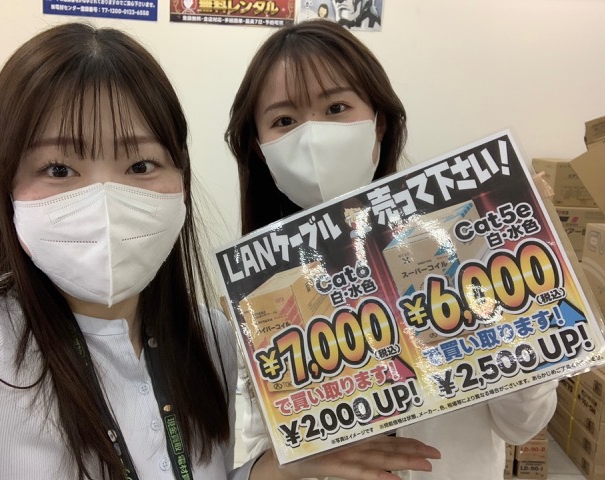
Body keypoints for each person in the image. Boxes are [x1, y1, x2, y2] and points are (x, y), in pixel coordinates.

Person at [0, 22, 440, 480]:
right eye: (58, 169)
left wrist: (280, 468)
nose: (104, 199)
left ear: (182, 179)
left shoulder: (209, 340)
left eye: (140, 164)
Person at [225, 18, 557, 480]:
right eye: (284, 121)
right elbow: (256, 454)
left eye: (336, 107)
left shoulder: (463, 240)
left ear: (378, 123)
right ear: (260, 148)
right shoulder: (260, 291)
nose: (313, 135)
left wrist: (513, 291)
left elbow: (522, 425)